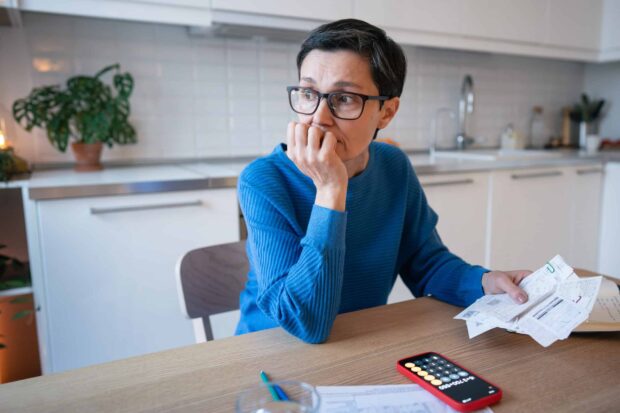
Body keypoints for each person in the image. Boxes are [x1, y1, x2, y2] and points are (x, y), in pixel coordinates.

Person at [235, 19, 531, 343]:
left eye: (344, 98)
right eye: (308, 93)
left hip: (360, 344)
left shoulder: (393, 167)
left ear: (387, 112)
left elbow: (426, 263)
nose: (318, 117)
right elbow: (306, 323)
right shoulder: (263, 181)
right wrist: (331, 189)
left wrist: (484, 282)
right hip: (270, 357)